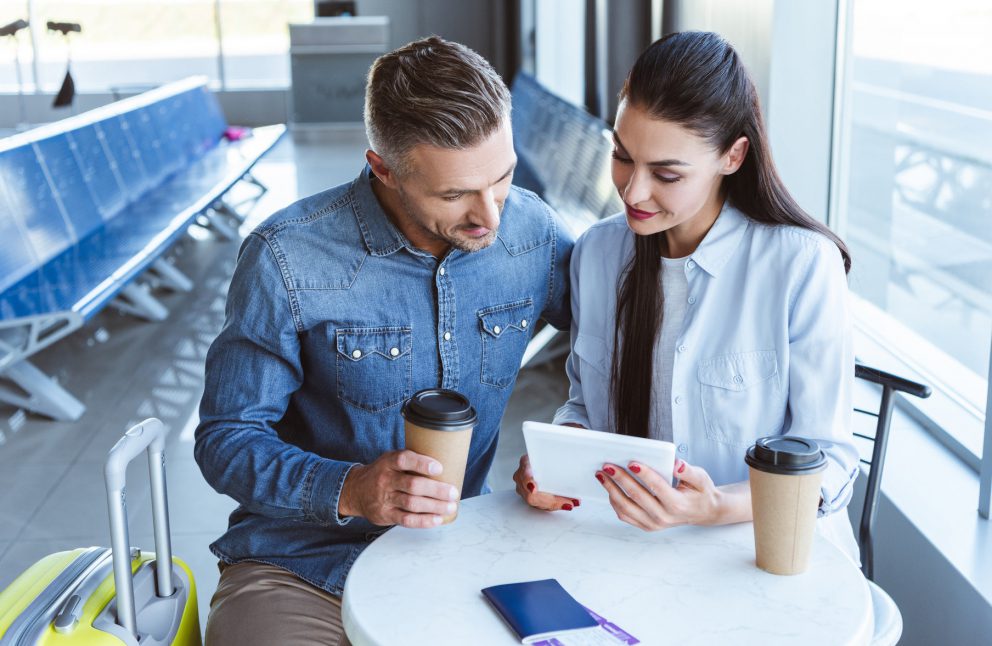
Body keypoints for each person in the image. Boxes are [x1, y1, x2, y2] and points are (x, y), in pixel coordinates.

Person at [195, 36, 573, 645]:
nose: (491, 217)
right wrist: (350, 488)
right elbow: (225, 440)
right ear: (384, 169)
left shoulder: (533, 232)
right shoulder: (287, 259)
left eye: (501, 178)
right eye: (454, 195)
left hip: (457, 554)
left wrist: (569, 446)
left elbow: (616, 342)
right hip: (299, 566)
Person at [513, 31, 859, 558]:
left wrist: (714, 506)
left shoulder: (801, 265)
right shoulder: (598, 254)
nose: (632, 192)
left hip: (763, 552)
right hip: (634, 550)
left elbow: (827, 463)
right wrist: (558, 460)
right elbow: (585, 405)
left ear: (734, 156)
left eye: (667, 173)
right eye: (623, 156)